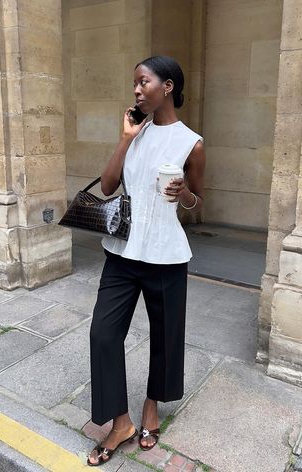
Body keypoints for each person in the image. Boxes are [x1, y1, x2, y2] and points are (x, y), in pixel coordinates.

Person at [87, 55, 206, 466]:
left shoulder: (192, 142)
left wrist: (183, 195)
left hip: (166, 255)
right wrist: (124, 139)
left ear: (168, 86)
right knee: (103, 334)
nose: (136, 90)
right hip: (122, 252)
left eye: (143, 82)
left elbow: (197, 199)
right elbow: (106, 186)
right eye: (135, 84)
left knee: (165, 337)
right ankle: (119, 422)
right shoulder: (133, 133)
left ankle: (151, 407)